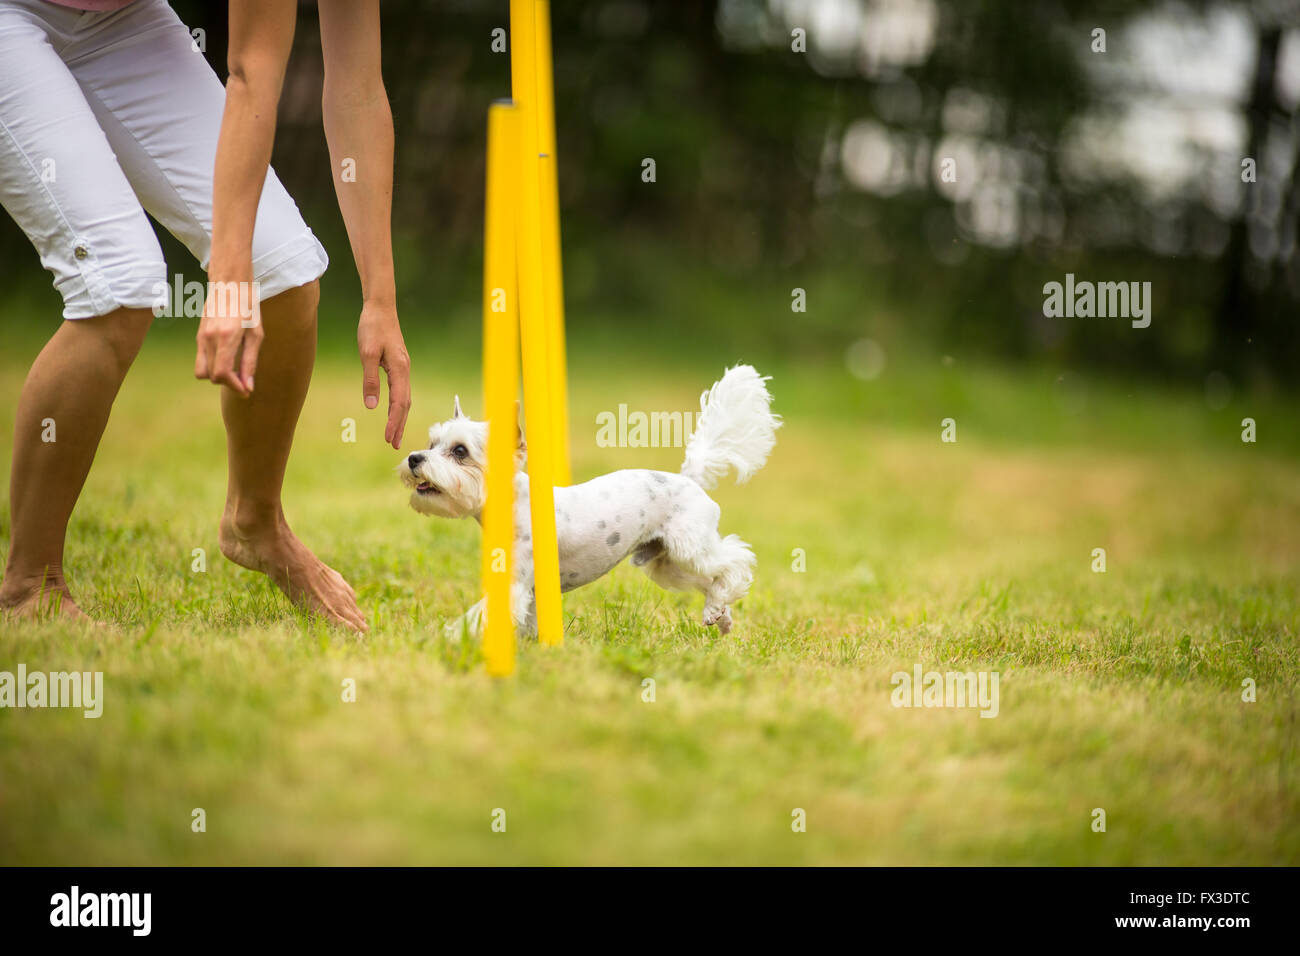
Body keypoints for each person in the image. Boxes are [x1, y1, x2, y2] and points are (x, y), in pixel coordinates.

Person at [0, 0, 409, 631]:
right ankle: (30, 586)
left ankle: (255, 522)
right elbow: (252, 72)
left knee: (286, 270)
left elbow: (357, 88)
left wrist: (380, 298)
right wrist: (227, 277)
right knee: (118, 281)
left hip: (121, 21)